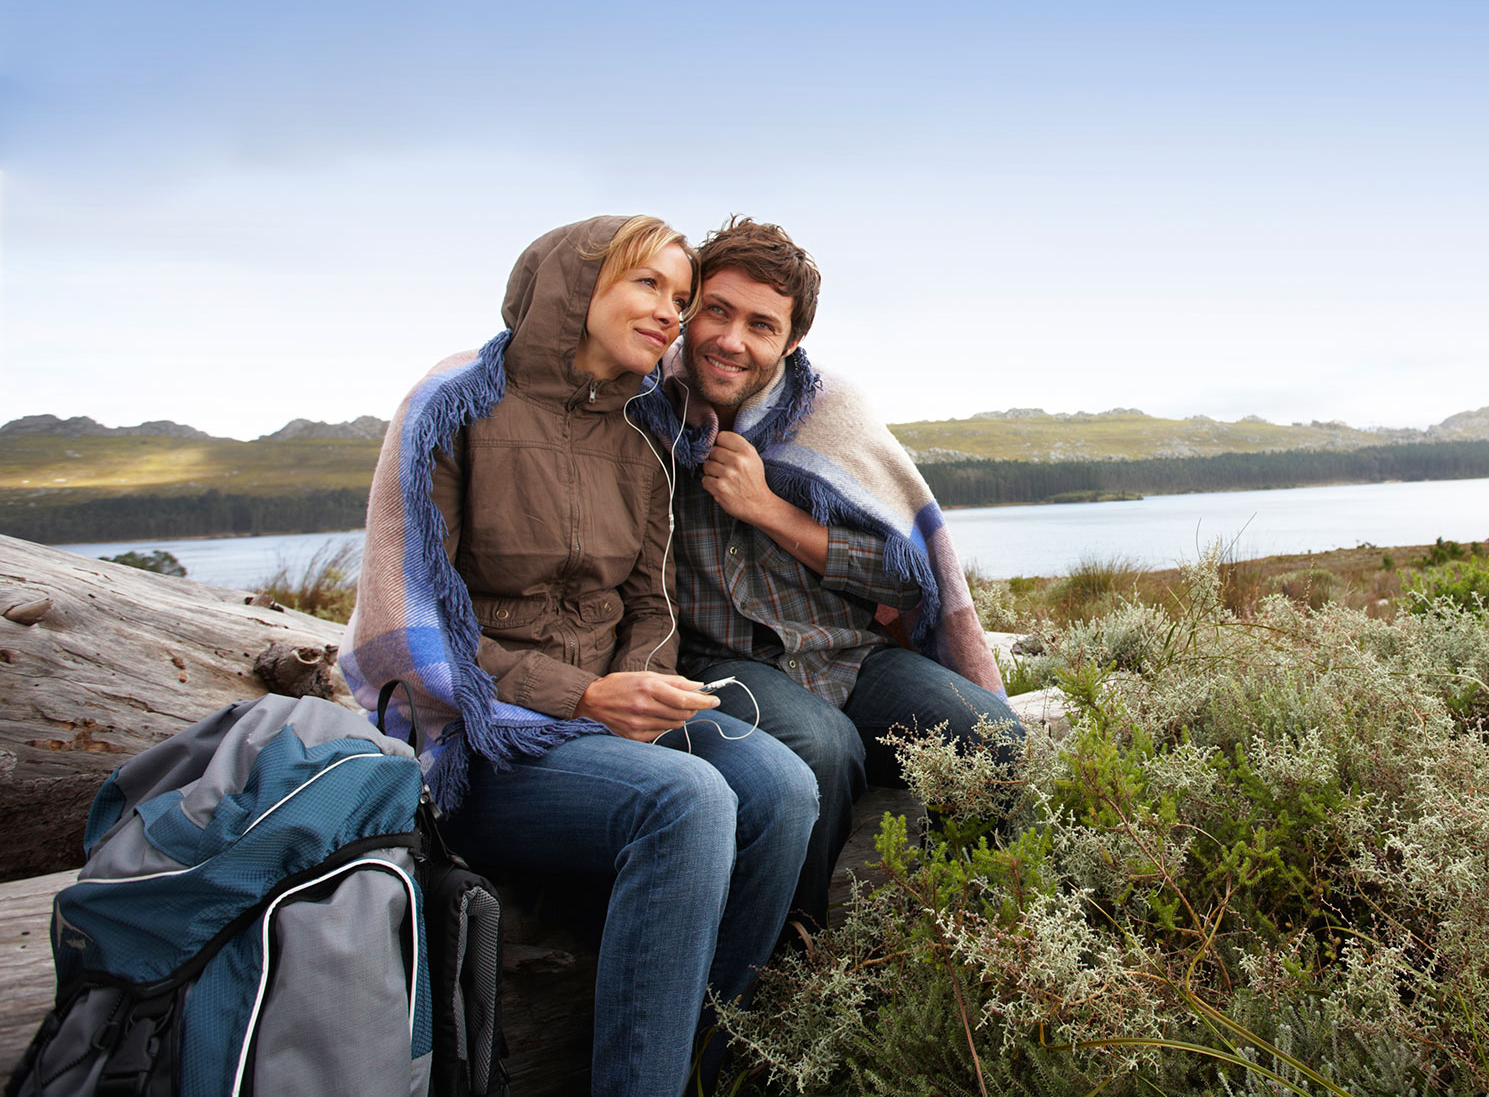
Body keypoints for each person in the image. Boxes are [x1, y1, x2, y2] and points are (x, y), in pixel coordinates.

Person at [339, 215, 817, 1097]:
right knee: (691, 802)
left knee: (786, 790)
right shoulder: (452, 405)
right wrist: (588, 695)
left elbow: (650, 598)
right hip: (484, 740)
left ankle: (701, 1067)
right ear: (576, 283)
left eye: (679, 297)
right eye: (648, 286)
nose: (669, 313)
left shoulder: (648, 429)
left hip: (605, 721)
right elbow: (412, 631)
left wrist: (640, 684)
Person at [658, 217, 1023, 927]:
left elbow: (904, 577)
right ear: (689, 307)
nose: (732, 339)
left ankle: (965, 938)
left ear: (791, 341)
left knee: (995, 738)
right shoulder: (648, 408)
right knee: (823, 749)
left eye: (761, 325)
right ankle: (795, 969)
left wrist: (771, 509)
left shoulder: (826, 410)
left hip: (849, 655)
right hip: (720, 660)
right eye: (718, 310)